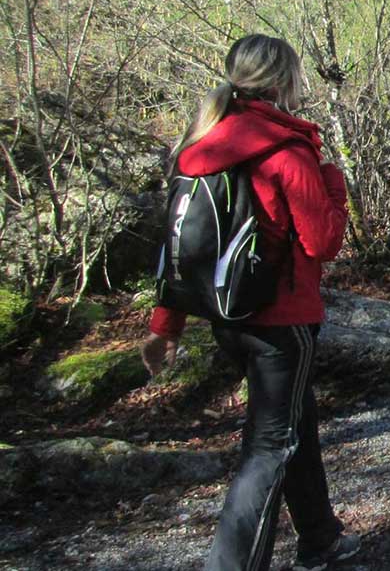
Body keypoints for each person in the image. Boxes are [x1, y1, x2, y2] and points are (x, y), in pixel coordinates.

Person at [140, 35, 359, 571]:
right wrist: (333, 183)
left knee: (295, 424)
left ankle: (321, 539)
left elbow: (180, 245)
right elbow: (323, 242)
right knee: (270, 446)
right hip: (283, 324)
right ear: (285, 81)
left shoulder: (199, 147)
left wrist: (165, 326)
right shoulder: (286, 151)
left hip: (228, 318)